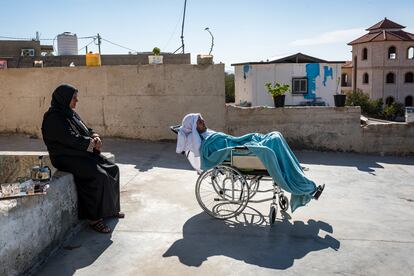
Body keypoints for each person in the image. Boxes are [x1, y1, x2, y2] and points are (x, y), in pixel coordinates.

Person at [176, 113, 324, 212]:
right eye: (199, 121)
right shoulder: (207, 144)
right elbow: (223, 151)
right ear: (194, 127)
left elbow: (230, 140)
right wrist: (245, 144)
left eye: (202, 119)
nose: (203, 121)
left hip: (243, 143)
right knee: (275, 140)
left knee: (275, 135)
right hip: (242, 150)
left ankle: (301, 179)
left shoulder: (209, 135)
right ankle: (308, 188)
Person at [42, 84, 123, 233]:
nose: (76, 101)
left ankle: (110, 209)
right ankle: (94, 219)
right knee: (98, 176)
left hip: (79, 153)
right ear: (64, 98)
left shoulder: (70, 113)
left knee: (113, 169)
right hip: (65, 157)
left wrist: (95, 136)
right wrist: (91, 144)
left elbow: (86, 129)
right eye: (74, 98)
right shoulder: (53, 118)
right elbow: (69, 139)